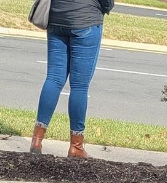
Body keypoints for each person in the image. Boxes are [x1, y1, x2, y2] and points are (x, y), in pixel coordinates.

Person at [30, 0, 113, 160]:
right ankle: (76, 146)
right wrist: (107, 7)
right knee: (79, 86)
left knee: (53, 78)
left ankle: (37, 140)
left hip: (57, 17)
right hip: (86, 19)